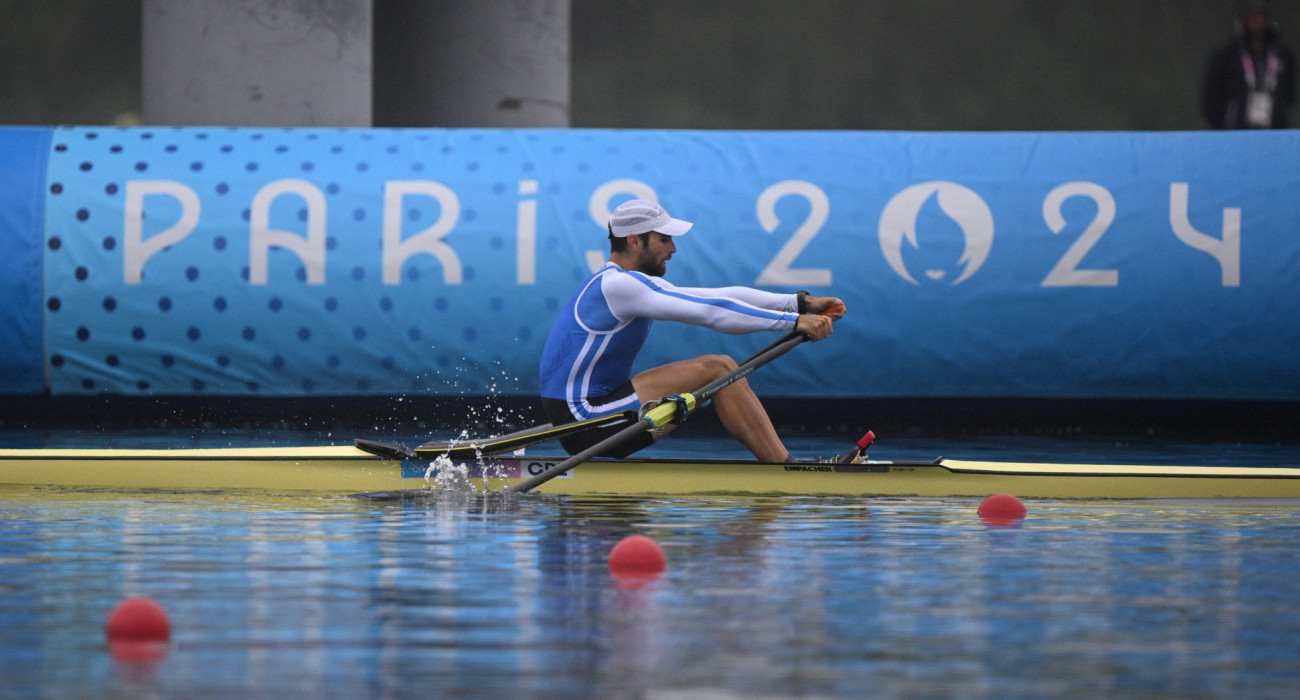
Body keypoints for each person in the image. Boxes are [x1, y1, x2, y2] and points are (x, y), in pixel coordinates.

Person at [538, 199, 844, 463]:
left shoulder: (628, 283)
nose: (673, 248)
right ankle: (787, 469)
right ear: (634, 241)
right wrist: (793, 323)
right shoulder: (619, 285)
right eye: (664, 239)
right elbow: (712, 312)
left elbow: (718, 296)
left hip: (587, 414)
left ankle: (783, 465)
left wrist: (799, 303)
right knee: (719, 369)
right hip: (584, 420)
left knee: (721, 371)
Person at [1201, 0, 1296, 129]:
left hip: (1275, 128)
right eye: (1252, 15)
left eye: (1260, 15)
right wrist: (1223, 128)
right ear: (1243, 19)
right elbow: (1212, 97)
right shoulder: (1227, 54)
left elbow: (1290, 92)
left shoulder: (1283, 53)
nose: (1257, 20)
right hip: (1237, 129)